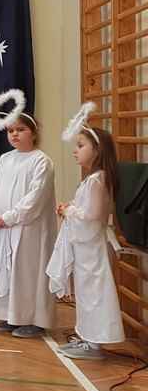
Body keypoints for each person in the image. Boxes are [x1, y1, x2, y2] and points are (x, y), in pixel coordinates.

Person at [47, 120, 125, 359]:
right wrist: (70, 208)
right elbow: (87, 209)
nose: (75, 151)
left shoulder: (97, 180)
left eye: (80, 145)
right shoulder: (93, 179)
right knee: (86, 294)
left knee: (94, 295)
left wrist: (68, 211)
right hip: (86, 249)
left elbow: (93, 216)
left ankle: (95, 343)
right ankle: (88, 338)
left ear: (97, 150)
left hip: (93, 249)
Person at [0, 112, 57, 338]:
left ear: (33, 133)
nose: (14, 134)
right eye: (10, 131)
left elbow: (35, 198)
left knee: (28, 271)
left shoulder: (41, 161)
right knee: (7, 270)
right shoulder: (5, 159)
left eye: (20, 130)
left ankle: (33, 319)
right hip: (3, 227)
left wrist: (8, 218)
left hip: (29, 228)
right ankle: (11, 316)